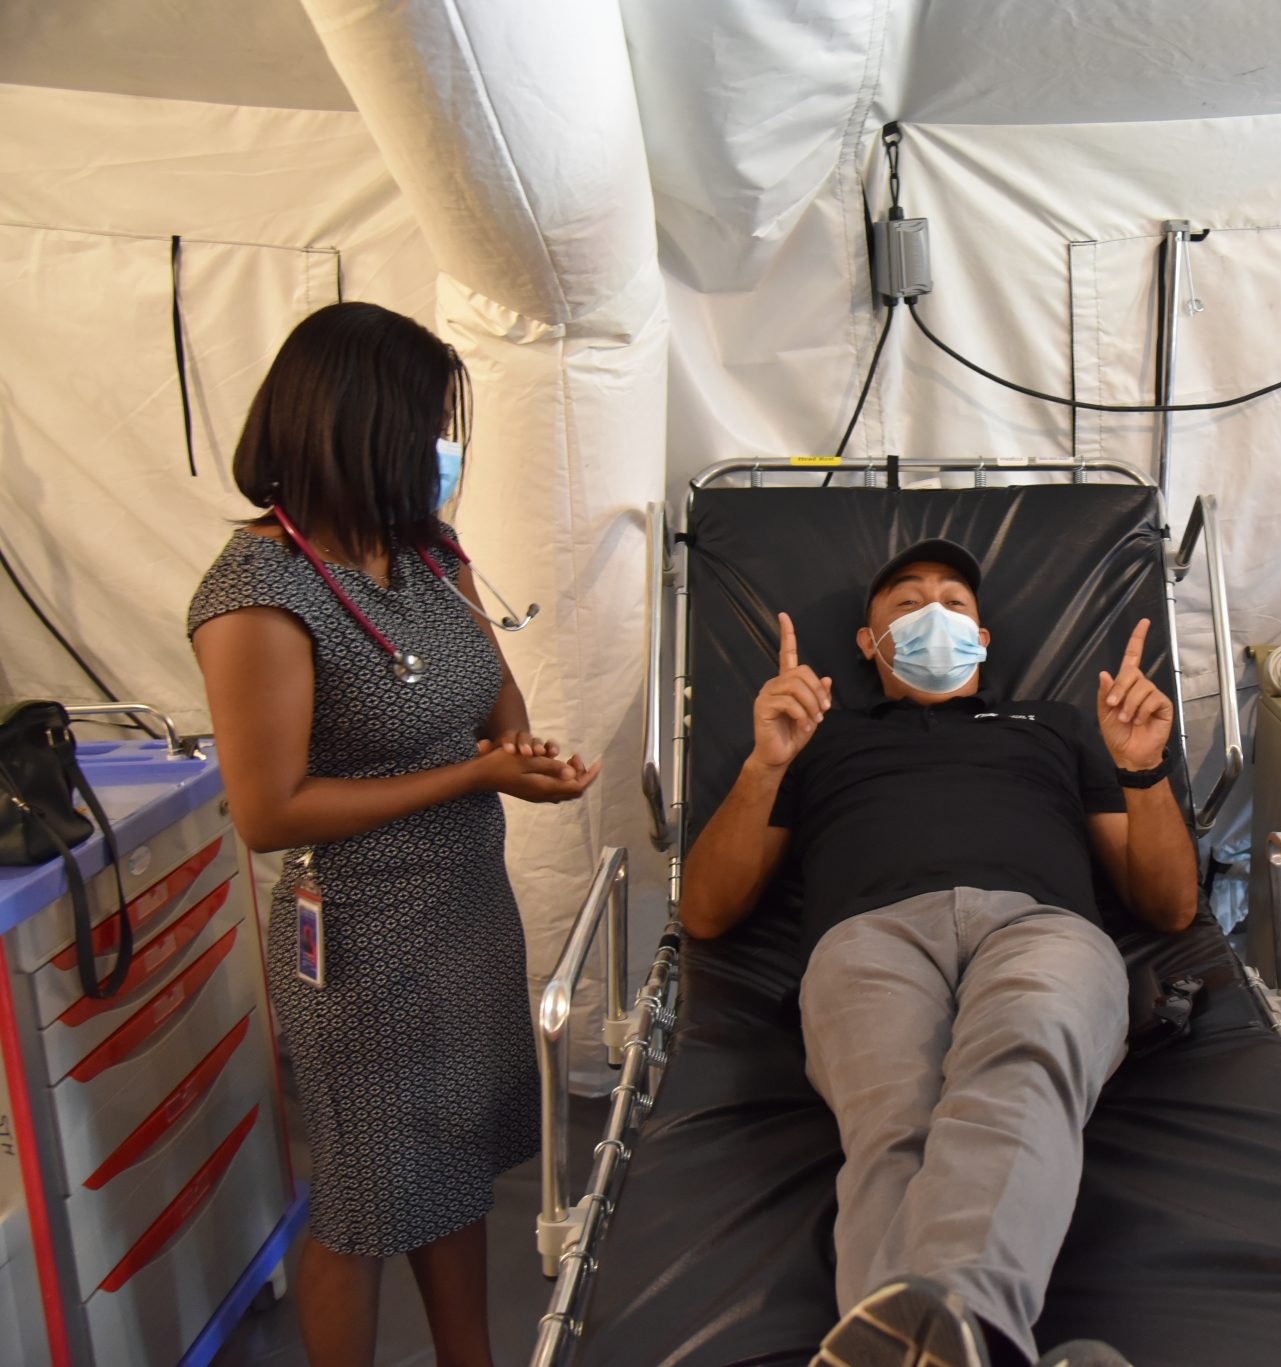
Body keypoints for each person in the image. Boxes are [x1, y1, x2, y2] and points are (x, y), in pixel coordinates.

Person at [188, 302, 600, 1367]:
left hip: (463, 914)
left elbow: (491, 694)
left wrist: (524, 755)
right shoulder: (257, 591)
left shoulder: (425, 551)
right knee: (365, 1201)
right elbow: (269, 809)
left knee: (449, 1170)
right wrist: (475, 772)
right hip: (360, 946)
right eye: (426, 423)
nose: (442, 447)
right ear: (358, 424)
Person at [679, 538, 1199, 1367]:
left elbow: (1170, 906)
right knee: (893, 1117)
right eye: (907, 603)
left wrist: (1142, 770)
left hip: (1042, 928)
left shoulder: (1055, 726)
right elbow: (705, 913)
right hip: (871, 935)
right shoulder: (820, 738)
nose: (934, 615)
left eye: (955, 604)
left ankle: (943, 1331)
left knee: (1025, 1056)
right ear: (868, 641)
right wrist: (765, 763)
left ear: (982, 638)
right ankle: (976, 1332)